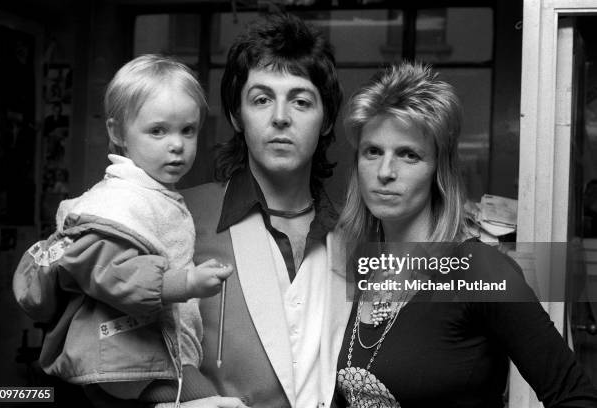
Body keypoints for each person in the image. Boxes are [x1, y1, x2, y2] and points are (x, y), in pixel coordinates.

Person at [334, 62, 597, 407]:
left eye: (408, 155)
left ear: (437, 170)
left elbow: (575, 397)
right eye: (373, 151)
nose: (385, 172)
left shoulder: (481, 271)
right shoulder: (354, 266)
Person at [13, 54, 244, 407]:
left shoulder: (152, 194)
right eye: (157, 130)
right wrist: (185, 282)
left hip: (144, 357)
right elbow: (112, 272)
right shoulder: (116, 203)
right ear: (117, 133)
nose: (177, 144)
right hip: (130, 363)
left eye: (188, 130)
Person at [178, 12, 351, 408]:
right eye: (261, 99)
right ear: (237, 116)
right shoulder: (182, 216)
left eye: (301, 101)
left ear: (326, 121)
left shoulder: (357, 233)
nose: (280, 117)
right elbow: (114, 341)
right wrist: (188, 398)